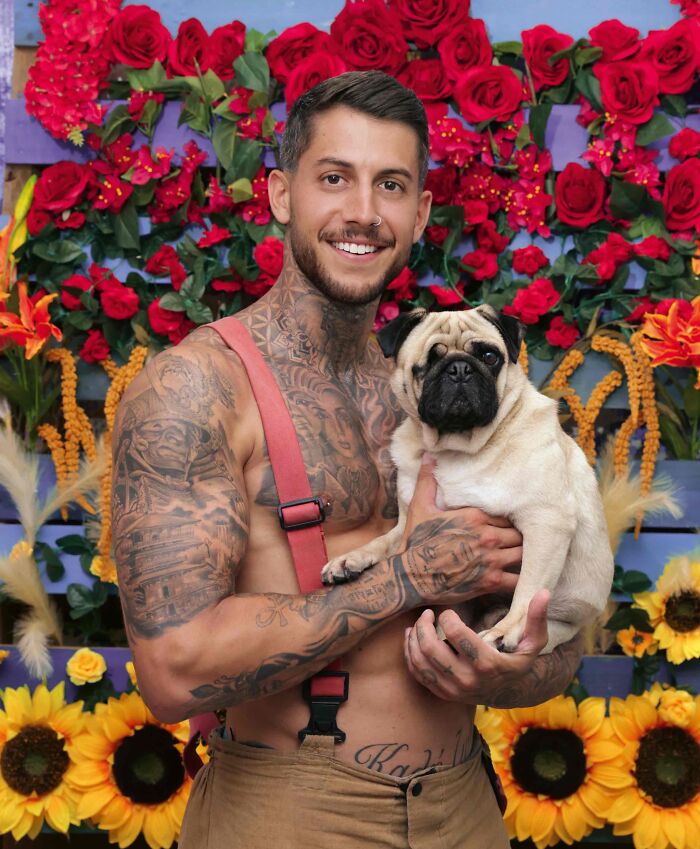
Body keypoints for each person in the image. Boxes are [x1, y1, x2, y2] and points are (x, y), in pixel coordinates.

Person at [111, 71, 583, 849]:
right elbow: (173, 671)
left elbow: (559, 637)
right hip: (290, 811)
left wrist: (512, 673)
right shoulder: (197, 388)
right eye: (335, 178)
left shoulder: (452, 392)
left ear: (421, 211)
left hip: (465, 805)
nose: (363, 213)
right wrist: (407, 576)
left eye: (390, 184)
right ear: (280, 194)